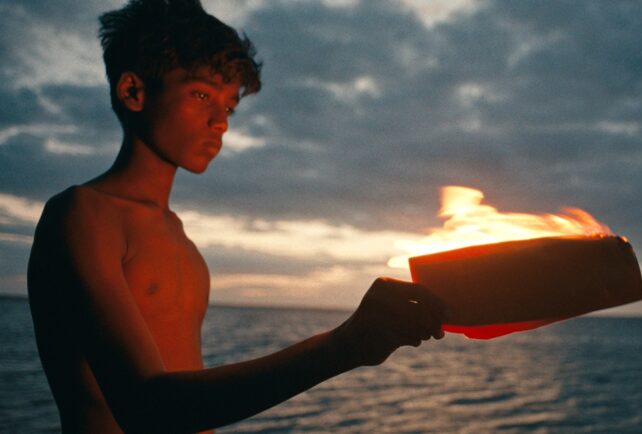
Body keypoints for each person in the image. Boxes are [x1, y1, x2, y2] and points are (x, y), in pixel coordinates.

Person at [26, 1, 446, 433]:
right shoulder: (84, 214)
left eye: (229, 106)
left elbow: (189, 395)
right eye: (202, 94)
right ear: (134, 91)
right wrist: (340, 347)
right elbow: (145, 405)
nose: (220, 123)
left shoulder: (181, 242)